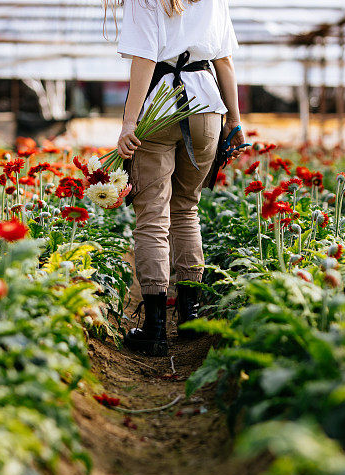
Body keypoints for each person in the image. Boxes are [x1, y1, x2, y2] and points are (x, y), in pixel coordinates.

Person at [113, 0, 244, 357]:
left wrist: (128, 124)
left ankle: (155, 328)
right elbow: (225, 62)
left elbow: (144, 59)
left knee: (153, 214)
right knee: (186, 209)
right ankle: (191, 316)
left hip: (160, 106)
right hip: (207, 107)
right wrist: (234, 121)